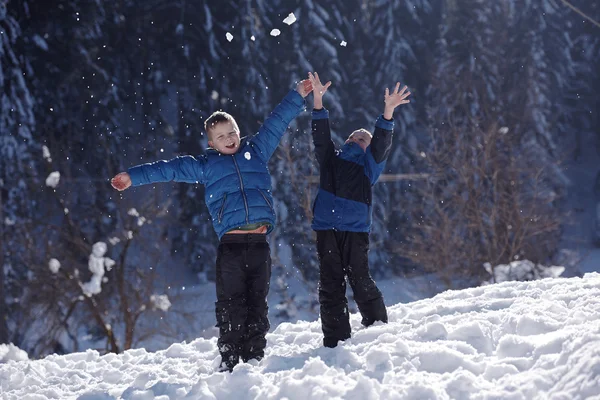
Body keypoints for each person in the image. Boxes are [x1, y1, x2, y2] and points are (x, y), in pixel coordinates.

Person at [111, 79, 313, 371]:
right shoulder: (205, 165)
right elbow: (168, 169)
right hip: (231, 248)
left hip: (258, 244)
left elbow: (277, 121)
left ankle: (254, 358)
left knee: (257, 303)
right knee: (232, 305)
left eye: (232, 133)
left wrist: (297, 95)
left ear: (239, 133)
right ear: (211, 143)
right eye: (221, 136)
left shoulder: (255, 150)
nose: (229, 139)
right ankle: (230, 360)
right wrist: (132, 177)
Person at [307, 71, 410, 348]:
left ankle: (376, 326)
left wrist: (387, 111)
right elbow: (321, 137)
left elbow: (381, 143)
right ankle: (335, 339)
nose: (358, 138)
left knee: (359, 278)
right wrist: (318, 101)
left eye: (363, 138)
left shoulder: (369, 167)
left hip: (355, 231)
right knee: (330, 284)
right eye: (354, 136)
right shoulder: (331, 159)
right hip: (326, 228)